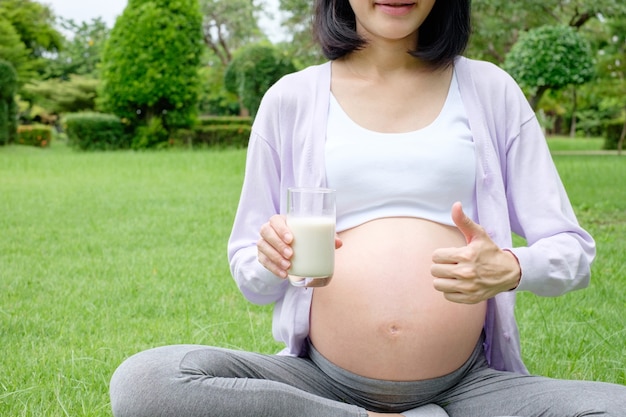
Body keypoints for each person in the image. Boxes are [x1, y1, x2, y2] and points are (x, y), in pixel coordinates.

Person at [109, 0, 626, 416]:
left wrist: (512, 266)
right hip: (320, 382)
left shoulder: (492, 91)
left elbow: (573, 252)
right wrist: (273, 259)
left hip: (469, 388)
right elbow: (251, 274)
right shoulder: (290, 100)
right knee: (147, 382)